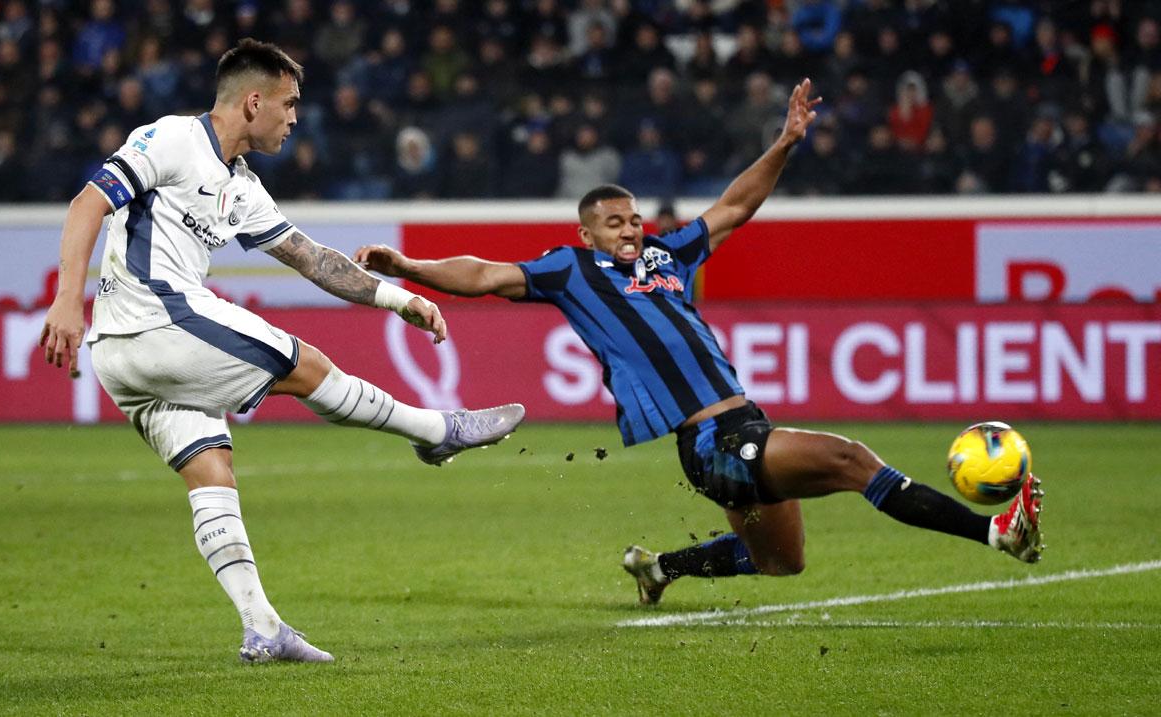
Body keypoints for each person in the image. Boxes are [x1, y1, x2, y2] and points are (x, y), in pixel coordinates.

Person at [353, 79, 1044, 606]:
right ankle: (997, 534)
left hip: (745, 422)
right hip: (709, 440)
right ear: (588, 231)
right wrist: (413, 269)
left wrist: (785, 143)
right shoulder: (569, 269)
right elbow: (483, 274)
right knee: (851, 458)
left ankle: (660, 569)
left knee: (782, 560)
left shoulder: (666, 255)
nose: (631, 228)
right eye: (615, 222)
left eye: (634, 218)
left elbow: (736, 206)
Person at [37, 39, 524, 663]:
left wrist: (400, 300)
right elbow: (88, 203)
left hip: (124, 358)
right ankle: (436, 429)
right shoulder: (172, 139)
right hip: (157, 320)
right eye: (289, 105)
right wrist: (65, 300)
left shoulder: (241, 186)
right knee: (305, 365)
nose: (295, 118)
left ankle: (262, 627)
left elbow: (313, 260)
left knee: (211, 470)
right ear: (254, 101)